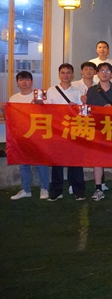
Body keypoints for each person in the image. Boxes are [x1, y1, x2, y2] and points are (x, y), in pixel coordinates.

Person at [5, 71, 50, 200]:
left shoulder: (39, 96)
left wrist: (41, 105)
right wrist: (4, 110)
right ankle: (25, 189)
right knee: (23, 164)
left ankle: (44, 188)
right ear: (17, 82)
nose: (24, 82)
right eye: (21, 80)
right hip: (21, 135)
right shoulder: (14, 98)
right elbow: (12, 118)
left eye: (26, 79)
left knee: (41, 163)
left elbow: (49, 113)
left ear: (31, 81)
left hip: (37, 135)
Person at [44, 64, 86, 201]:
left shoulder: (78, 91)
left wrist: (78, 106)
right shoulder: (51, 91)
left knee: (75, 162)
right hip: (57, 131)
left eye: (68, 73)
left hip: (73, 130)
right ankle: (56, 191)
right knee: (57, 162)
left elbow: (83, 113)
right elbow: (47, 111)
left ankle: (78, 190)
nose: (65, 75)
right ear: (59, 75)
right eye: (63, 73)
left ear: (72, 75)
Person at [87, 62, 112, 201]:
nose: (104, 73)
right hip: (98, 129)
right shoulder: (91, 91)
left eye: (107, 71)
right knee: (97, 159)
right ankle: (98, 188)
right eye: (102, 71)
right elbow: (88, 111)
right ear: (97, 73)